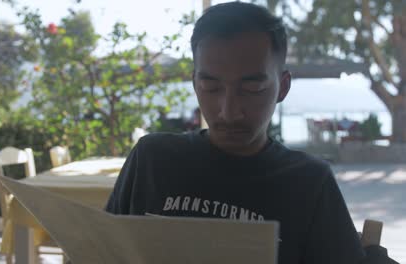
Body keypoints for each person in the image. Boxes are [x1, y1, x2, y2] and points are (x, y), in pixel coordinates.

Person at [106, 2, 370, 263]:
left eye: (251, 89)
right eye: (211, 87)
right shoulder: (152, 160)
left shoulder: (309, 182)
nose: (229, 112)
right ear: (195, 84)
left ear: (283, 87)